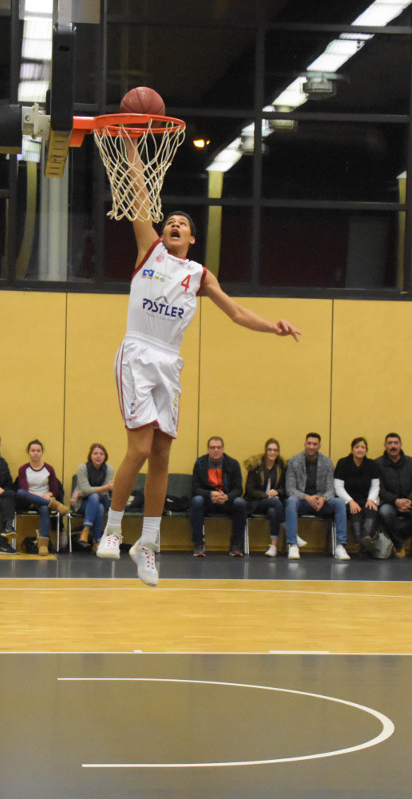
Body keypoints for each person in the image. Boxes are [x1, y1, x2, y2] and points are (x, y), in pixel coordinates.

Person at [95, 140, 300, 587]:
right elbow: (139, 192)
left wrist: (274, 326)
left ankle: (146, 545)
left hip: (169, 363)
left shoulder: (200, 275)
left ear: (191, 239)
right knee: (140, 449)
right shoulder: (149, 250)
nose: (174, 224)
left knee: (164, 454)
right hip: (138, 352)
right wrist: (131, 146)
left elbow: (237, 313)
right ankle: (112, 528)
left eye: (182, 224)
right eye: (170, 220)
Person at [285, 432, 350, 560]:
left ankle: (340, 546)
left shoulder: (327, 462)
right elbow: (290, 489)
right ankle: (293, 544)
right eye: (309, 443)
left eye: (314, 444)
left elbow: (331, 489)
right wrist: (307, 497)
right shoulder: (294, 461)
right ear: (305, 444)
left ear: (319, 446)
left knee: (339, 503)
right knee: (291, 501)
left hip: (322, 502)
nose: (311, 446)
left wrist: (323, 498)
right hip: (302, 502)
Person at [190, 436, 247, 557]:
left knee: (240, 503)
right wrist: (210, 494)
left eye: (218, 447)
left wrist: (227, 497)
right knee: (196, 501)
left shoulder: (233, 463)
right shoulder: (200, 463)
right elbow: (195, 489)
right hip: (208, 501)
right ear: (208, 450)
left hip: (227, 502)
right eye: (212, 447)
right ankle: (199, 544)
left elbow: (239, 489)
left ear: (223, 449)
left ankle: (236, 545)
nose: (216, 450)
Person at [16, 439, 69, 556]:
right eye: (33, 450)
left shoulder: (49, 469)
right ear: (28, 452)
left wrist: (49, 495)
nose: (35, 453)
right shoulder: (23, 469)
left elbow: (54, 489)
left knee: (44, 508)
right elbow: (24, 489)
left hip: (45, 500)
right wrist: (38, 496)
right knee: (19, 492)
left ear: (42, 453)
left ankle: (43, 544)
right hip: (29, 499)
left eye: (38, 451)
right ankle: (54, 505)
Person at [334, 437, 379, 558]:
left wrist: (370, 499)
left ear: (366, 450)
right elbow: (338, 487)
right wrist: (350, 501)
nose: (360, 449)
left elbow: (375, 486)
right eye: (357, 447)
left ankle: (363, 541)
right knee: (355, 513)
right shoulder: (343, 463)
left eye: (362, 447)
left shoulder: (372, 465)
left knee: (371, 510)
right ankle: (362, 544)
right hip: (348, 499)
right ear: (352, 449)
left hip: (366, 499)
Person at [243, 438, 287, 557]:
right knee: (276, 504)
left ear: (278, 453)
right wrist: (266, 495)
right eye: (270, 450)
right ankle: (290, 531)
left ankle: (273, 546)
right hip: (255, 503)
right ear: (265, 451)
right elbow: (249, 489)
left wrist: (277, 492)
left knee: (273, 511)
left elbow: (286, 488)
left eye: (275, 450)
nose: (272, 453)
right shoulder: (255, 467)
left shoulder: (281, 468)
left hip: (272, 505)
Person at [71, 443, 114, 552]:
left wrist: (80, 493)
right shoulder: (82, 468)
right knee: (98, 506)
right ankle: (97, 541)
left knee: (95, 497)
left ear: (105, 456)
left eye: (101, 454)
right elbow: (86, 489)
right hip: (82, 504)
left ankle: (86, 529)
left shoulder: (109, 469)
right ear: (90, 456)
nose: (98, 456)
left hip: (103, 499)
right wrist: (104, 487)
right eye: (95, 453)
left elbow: (104, 493)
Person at [375, 433, 412, 557]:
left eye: (396, 443)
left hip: (409, 502)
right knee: (384, 513)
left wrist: (409, 501)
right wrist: (395, 500)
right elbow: (379, 489)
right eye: (390, 443)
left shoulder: (410, 462)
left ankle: (398, 537)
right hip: (389, 503)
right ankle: (399, 545)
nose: (393, 446)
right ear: (385, 446)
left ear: (401, 445)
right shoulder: (378, 464)